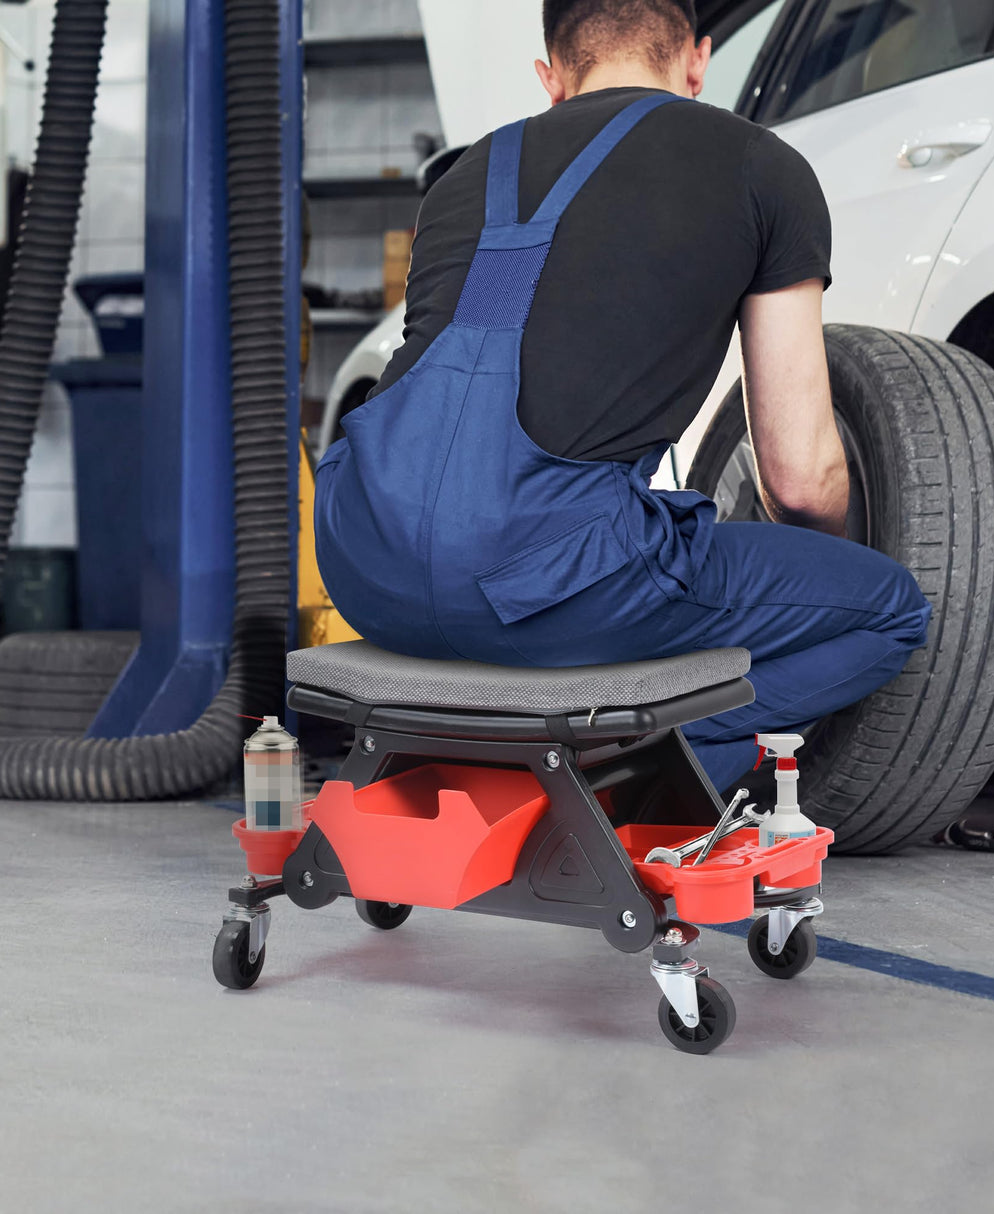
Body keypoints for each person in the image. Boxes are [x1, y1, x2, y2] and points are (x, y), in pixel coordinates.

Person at [314, 0, 931, 793]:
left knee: (537, 556)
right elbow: (800, 478)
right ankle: (629, 767)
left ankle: (512, 758)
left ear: (551, 78)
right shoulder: (758, 168)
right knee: (888, 610)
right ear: (698, 60)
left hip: (367, 561)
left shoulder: (472, 173)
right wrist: (823, 558)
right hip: (547, 589)